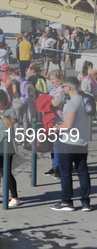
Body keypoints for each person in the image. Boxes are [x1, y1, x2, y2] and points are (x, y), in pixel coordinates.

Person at [50, 77, 92, 212]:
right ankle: (85, 202)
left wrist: (57, 127)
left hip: (69, 142)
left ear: (68, 87)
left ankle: (67, 202)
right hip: (83, 142)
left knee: (66, 173)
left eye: (63, 87)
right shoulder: (86, 101)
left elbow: (68, 125)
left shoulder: (71, 103)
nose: (62, 89)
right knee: (83, 172)